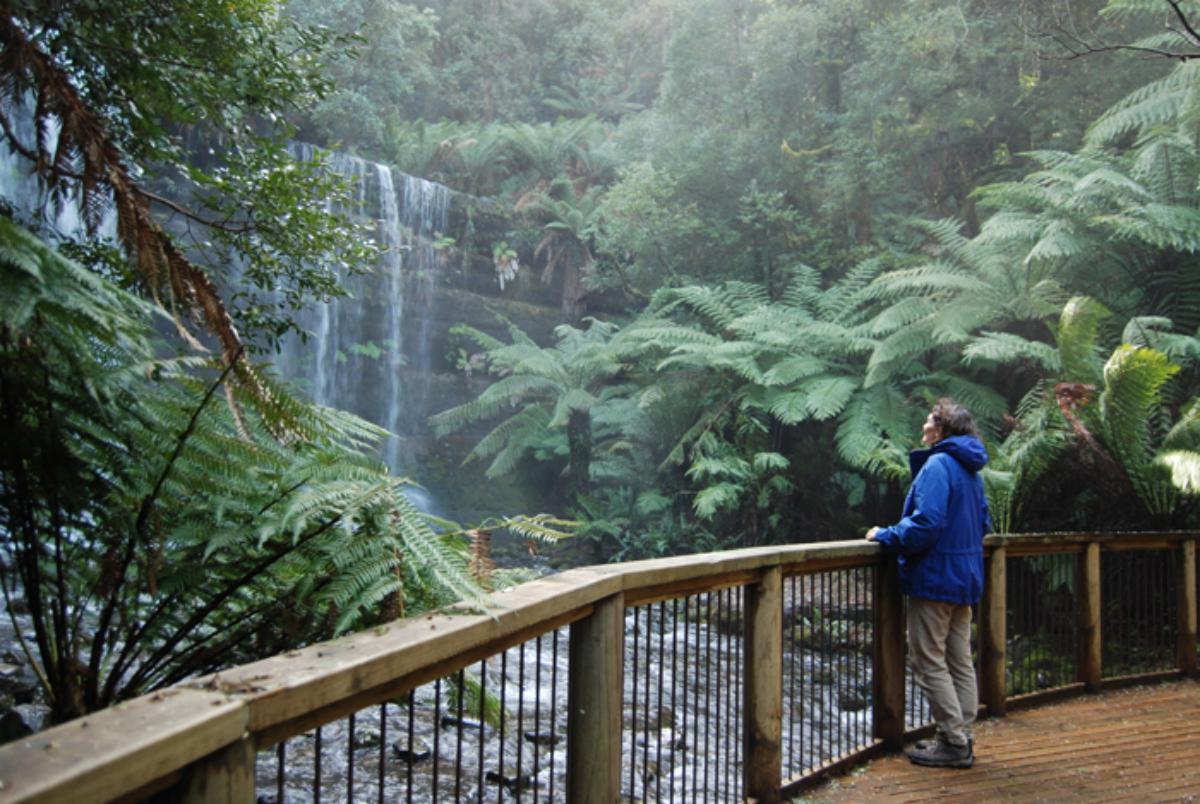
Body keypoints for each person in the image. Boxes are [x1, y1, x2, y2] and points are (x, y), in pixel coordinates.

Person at [866, 398, 991, 769]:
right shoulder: (970, 470)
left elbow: (927, 523)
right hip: (964, 577)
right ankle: (962, 736)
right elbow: (983, 524)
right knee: (959, 661)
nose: (923, 424)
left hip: (936, 579)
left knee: (928, 661)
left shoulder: (939, 464)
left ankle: (953, 741)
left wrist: (886, 534)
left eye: (929, 420)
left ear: (941, 429)